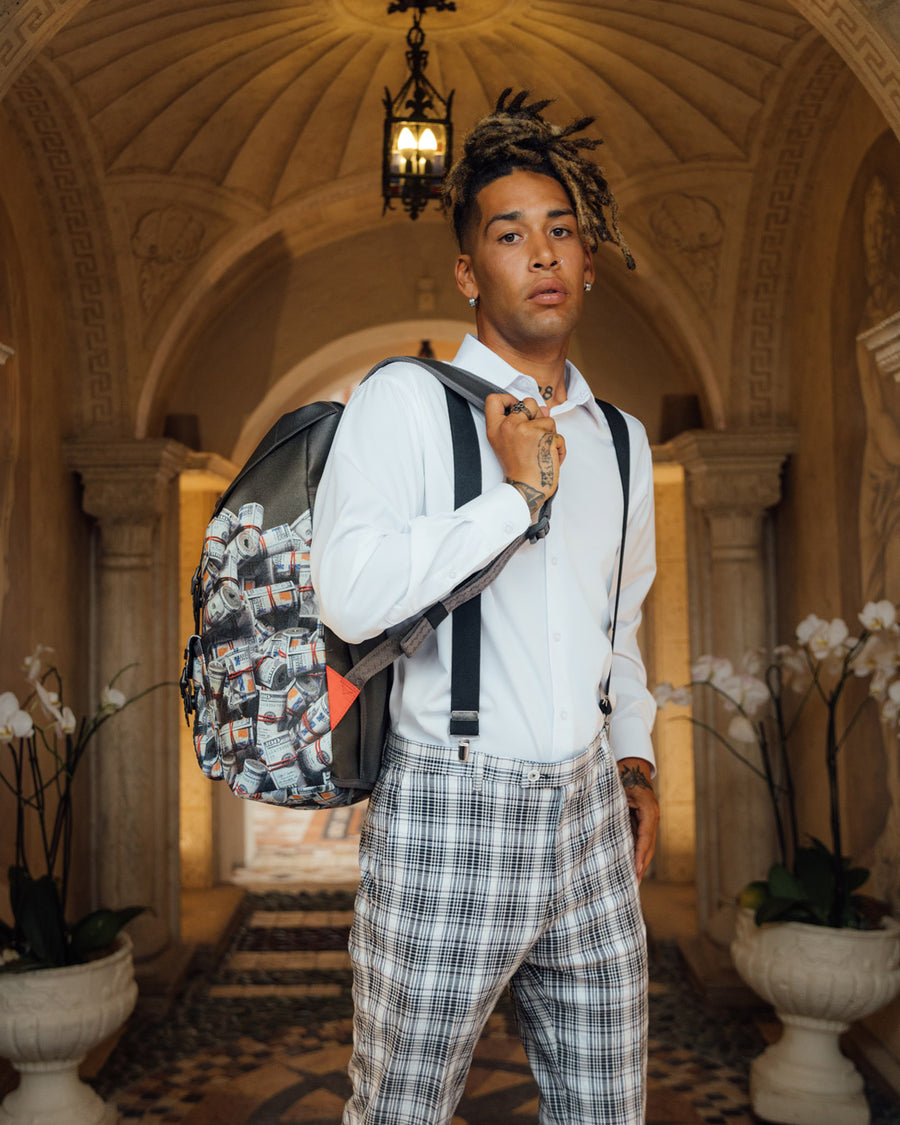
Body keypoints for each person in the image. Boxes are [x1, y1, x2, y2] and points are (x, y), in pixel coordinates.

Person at [310, 89, 659, 1125]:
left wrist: (635, 760)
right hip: (446, 809)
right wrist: (514, 498)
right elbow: (352, 594)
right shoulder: (404, 403)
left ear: (587, 261)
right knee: (400, 1111)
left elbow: (620, 628)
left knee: (610, 1109)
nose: (542, 253)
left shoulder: (622, 441)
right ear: (469, 271)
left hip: (590, 816)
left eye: (562, 231)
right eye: (510, 235)